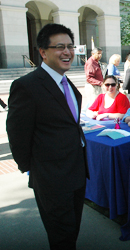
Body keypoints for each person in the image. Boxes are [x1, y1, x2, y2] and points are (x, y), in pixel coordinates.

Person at [6, 23, 88, 250]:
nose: (68, 52)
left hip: (76, 171)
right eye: (59, 47)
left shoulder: (68, 82)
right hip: (51, 179)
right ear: (43, 52)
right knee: (61, 236)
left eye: (70, 46)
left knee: (72, 231)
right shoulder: (27, 86)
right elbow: (17, 134)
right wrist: (34, 169)